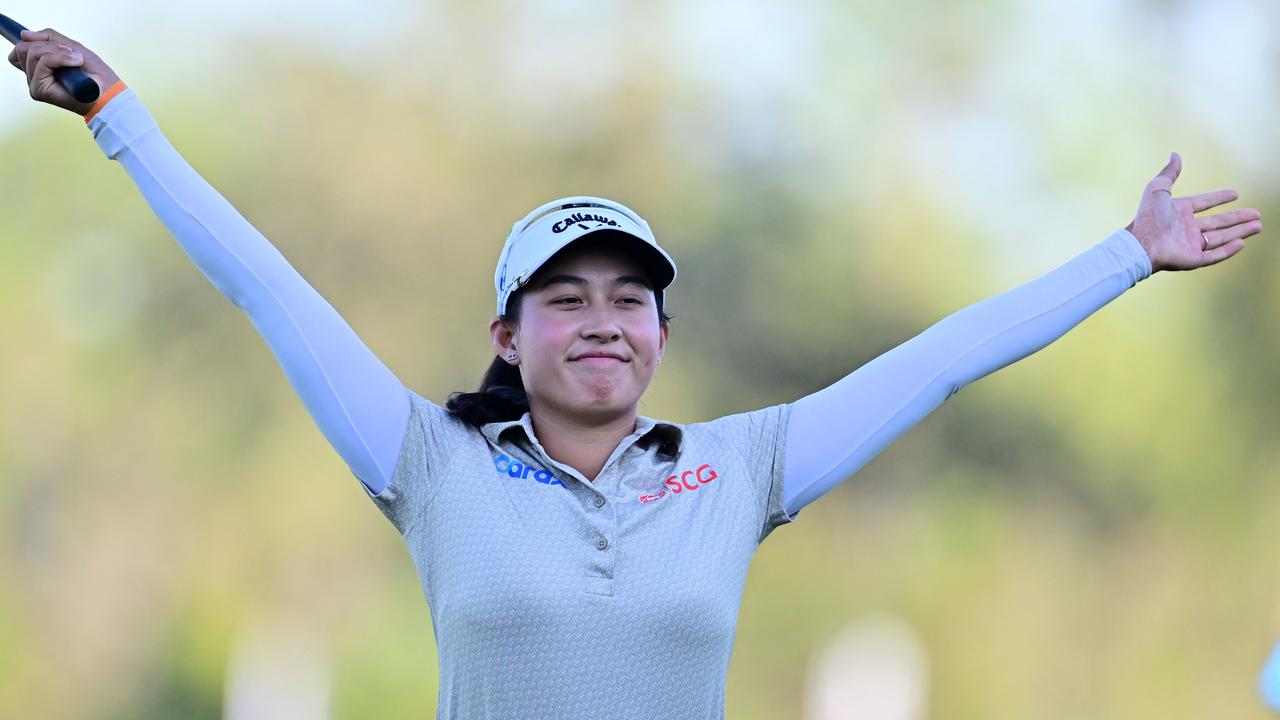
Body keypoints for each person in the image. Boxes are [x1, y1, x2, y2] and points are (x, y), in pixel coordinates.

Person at [9, 27, 1266, 720]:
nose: (601, 322)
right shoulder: (429, 462)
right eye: (564, 299)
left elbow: (936, 363)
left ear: (662, 334)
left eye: (629, 299)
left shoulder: (739, 467)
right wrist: (120, 115)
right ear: (507, 335)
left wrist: (1124, 255)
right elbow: (266, 286)